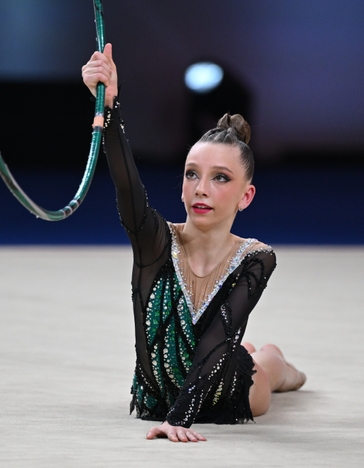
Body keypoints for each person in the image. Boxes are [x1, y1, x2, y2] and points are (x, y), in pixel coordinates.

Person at [82, 44, 306, 443]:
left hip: (226, 394)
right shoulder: (155, 243)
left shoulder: (256, 258)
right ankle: (255, 353)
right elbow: (127, 187)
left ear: (245, 196)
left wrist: (179, 418)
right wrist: (109, 107)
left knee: (267, 369)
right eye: (191, 174)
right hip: (157, 396)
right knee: (242, 350)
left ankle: (274, 361)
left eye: (220, 178)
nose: (201, 188)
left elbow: (219, 338)